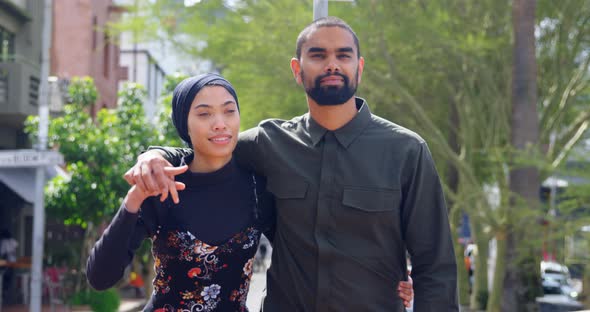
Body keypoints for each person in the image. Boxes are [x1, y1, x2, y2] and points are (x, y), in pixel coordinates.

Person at [126, 17, 452, 311]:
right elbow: (208, 150)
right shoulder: (269, 143)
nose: (332, 64)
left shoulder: (406, 151)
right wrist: (155, 156)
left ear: (359, 67)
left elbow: (435, 266)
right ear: (297, 70)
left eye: (343, 55)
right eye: (318, 55)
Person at [87, 74, 414, 311]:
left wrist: (386, 279)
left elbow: (313, 249)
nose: (220, 123)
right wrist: (133, 200)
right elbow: (101, 277)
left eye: (229, 111)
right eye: (204, 113)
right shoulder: (163, 185)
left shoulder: (259, 188)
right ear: (183, 124)